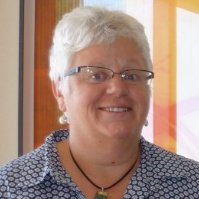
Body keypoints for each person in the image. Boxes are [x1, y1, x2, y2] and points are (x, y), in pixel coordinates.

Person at [0, 6, 199, 199]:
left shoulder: (192, 184)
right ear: (59, 91)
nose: (118, 88)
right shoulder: (9, 187)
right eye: (96, 75)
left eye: (131, 76)